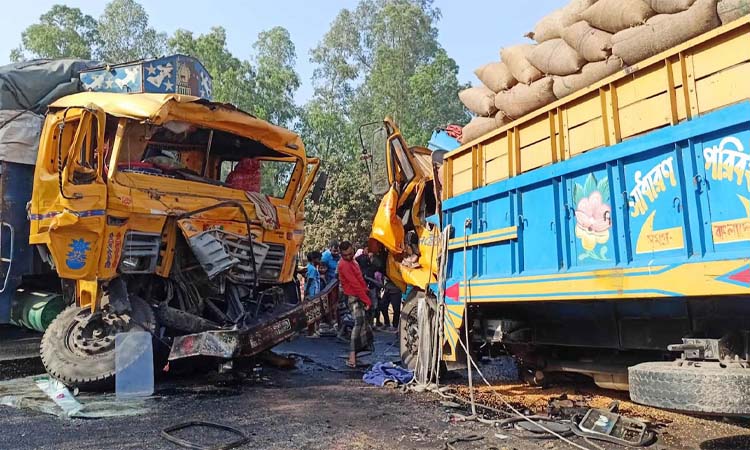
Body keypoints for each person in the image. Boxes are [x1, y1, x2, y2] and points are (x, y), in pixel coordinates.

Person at [337, 241, 373, 368]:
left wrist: (366, 294)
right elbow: (355, 284)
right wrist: (366, 299)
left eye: (350, 254)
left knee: (363, 323)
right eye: (345, 255)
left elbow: (360, 280)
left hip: (359, 295)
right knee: (358, 324)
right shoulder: (344, 265)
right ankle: (352, 356)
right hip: (353, 297)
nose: (348, 257)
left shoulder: (353, 262)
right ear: (341, 254)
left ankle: (356, 354)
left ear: (353, 249)